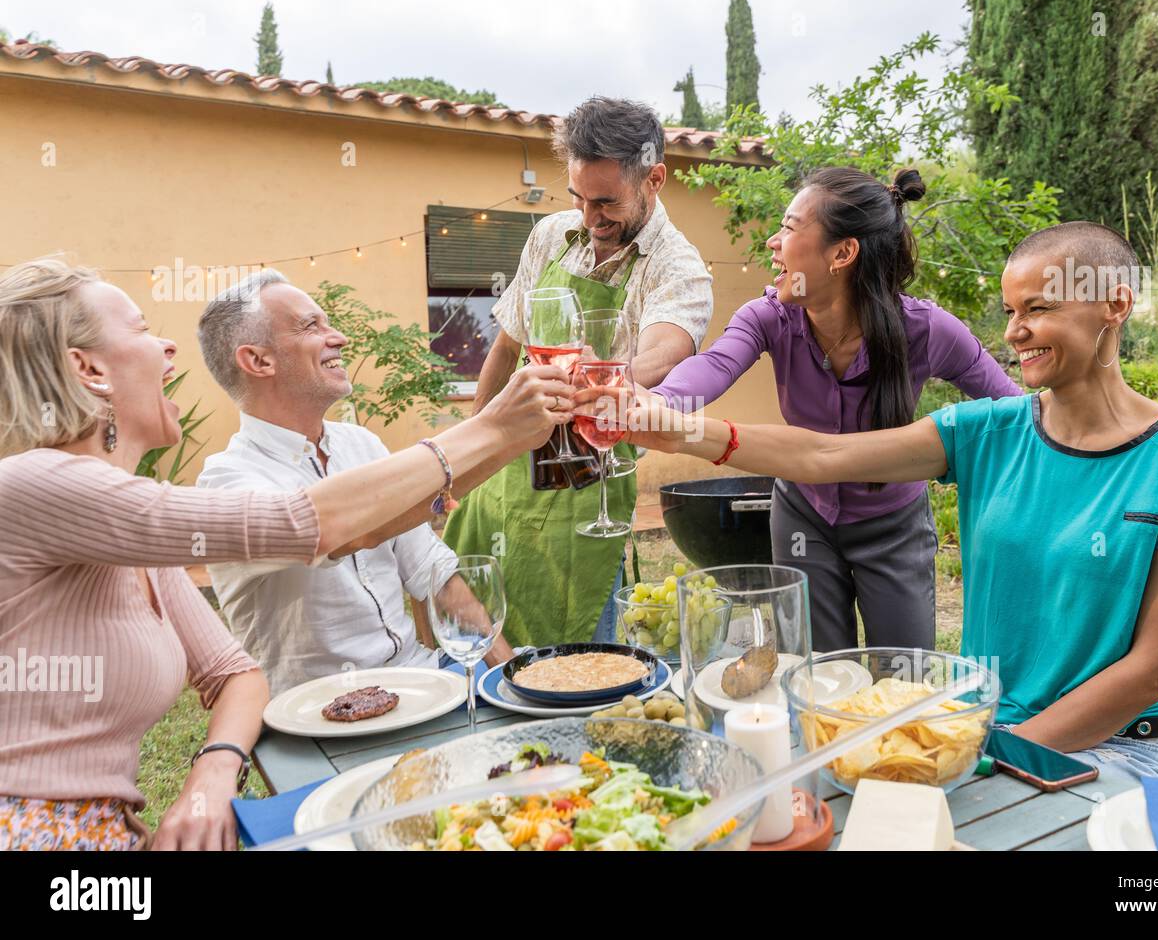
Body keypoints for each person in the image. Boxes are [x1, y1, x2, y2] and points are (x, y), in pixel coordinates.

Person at [623, 222, 1158, 781]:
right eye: (1010, 312)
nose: (1015, 331)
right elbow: (822, 456)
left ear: (1115, 305)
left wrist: (988, 751)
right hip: (979, 723)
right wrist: (678, 429)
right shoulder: (983, 431)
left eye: (1039, 309)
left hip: (1121, 748)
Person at [0, 257, 572, 849]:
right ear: (87, 367)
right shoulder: (36, 482)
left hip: (112, 833)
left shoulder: (138, 538)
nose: (169, 348)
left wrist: (213, 774)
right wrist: (492, 426)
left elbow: (233, 673)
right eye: (143, 330)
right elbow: (316, 526)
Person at [651, 167, 1021, 651]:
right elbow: (713, 366)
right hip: (803, 516)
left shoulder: (926, 330)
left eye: (788, 228)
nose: (772, 242)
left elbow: (1015, 409)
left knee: (903, 673)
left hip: (894, 526)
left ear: (843, 254)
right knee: (814, 674)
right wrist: (656, 405)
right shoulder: (770, 317)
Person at [442, 96, 713, 647]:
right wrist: (468, 447)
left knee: (573, 664)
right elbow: (506, 346)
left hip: (585, 489)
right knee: (471, 643)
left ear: (654, 179)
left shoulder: (679, 269)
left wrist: (609, 376)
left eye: (606, 201)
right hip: (501, 475)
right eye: (579, 198)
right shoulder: (550, 237)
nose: (590, 218)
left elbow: (665, 351)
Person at [194, 270, 514, 696]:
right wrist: (496, 428)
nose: (339, 338)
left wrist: (509, 679)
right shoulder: (227, 483)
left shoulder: (360, 444)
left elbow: (433, 571)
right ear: (258, 361)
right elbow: (339, 530)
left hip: (418, 678)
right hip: (320, 712)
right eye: (312, 326)